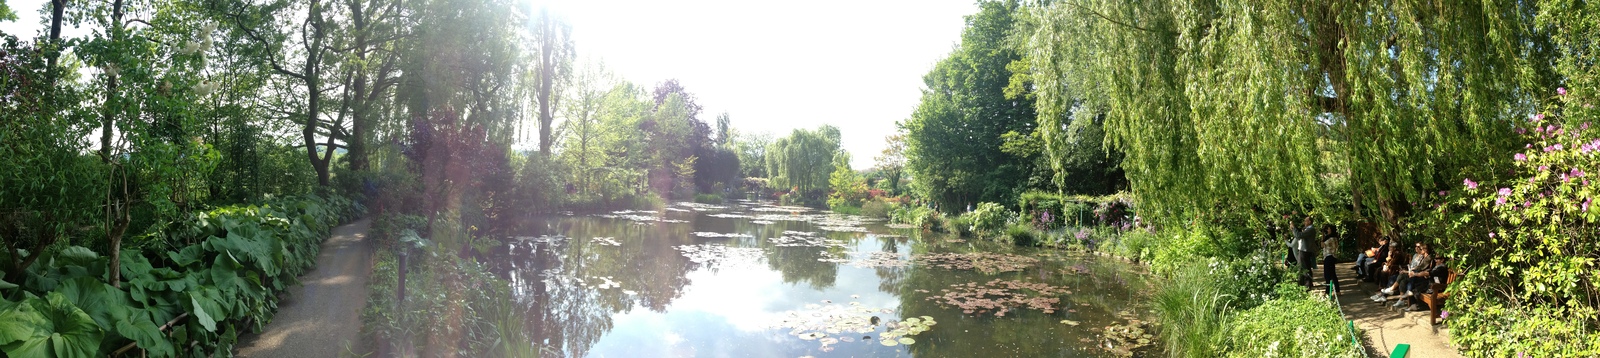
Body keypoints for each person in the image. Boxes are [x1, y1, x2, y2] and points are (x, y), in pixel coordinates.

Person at [1290, 216, 1318, 289]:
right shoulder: (1307, 229)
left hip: (1305, 251)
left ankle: (1307, 284)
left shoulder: (1311, 229)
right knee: (1302, 267)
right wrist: (1293, 229)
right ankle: (1302, 283)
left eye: (1306, 221)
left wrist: (1293, 227)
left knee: (1305, 268)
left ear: (1309, 222)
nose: (1304, 222)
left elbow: (1299, 236)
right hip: (1303, 250)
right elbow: (1298, 234)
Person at [1321, 226, 1341, 294]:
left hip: (1329, 256)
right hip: (1331, 257)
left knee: (1327, 275)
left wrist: (1322, 236)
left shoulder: (1331, 239)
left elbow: (1322, 245)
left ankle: (1328, 291)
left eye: (1328, 229)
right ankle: (1337, 290)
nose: (1327, 230)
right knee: (1332, 274)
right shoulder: (1334, 238)